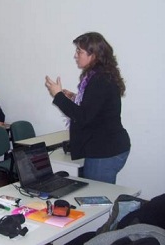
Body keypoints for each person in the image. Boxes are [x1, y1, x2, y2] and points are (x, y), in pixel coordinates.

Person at [44, 32, 130, 184]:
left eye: (79, 51)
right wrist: (74, 97)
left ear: (94, 55)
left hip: (104, 151)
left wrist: (58, 96)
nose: (75, 55)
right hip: (110, 146)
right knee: (102, 195)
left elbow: (83, 117)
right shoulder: (101, 75)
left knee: (97, 199)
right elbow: (95, 107)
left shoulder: (99, 79)